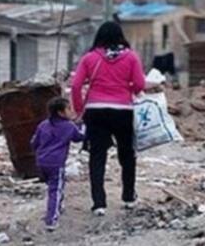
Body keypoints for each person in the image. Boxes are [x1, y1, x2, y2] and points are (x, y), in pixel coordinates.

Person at [71, 21, 146, 216]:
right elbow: (139, 84)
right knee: (127, 154)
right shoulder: (131, 57)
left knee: (97, 155)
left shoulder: (89, 58)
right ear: (121, 36)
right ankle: (128, 197)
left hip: (95, 111)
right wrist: (127, 89)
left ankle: (99, 203)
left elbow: (76, 85)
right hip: (123, 111)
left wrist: (80, 109)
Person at [30, 97, 86, 231]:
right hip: (56, 163)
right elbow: (79, 138)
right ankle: (51, 219)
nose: (71, 111)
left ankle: (57, 207)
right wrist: (84, 126)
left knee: (55, 185)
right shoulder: (69, 126)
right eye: (68, 109)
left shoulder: (43, 125)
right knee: (55, 190)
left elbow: (34, 143)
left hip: (41, 161)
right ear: (61, 112)